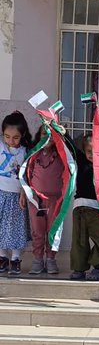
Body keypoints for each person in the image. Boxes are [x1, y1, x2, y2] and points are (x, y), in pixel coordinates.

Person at [70, 134, 99, 281]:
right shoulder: (81, 161)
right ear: (84, 151)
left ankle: (97, 268)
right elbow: (71, 147)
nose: (92, 155)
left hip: (97, 209)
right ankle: (79, 269)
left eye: (96, 152)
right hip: (80, 207)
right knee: (79, 240)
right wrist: (64, 133)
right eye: (89, 152)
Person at [27, 125, 65, 275]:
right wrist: (24, 195)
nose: (48, 137)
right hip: (36, 200)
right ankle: (37, 260)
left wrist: (63, 134)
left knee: (53, 230)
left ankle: (50, 259)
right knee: (37, 231)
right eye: (44, 133)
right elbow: (25, 176)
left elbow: (71, 155)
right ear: (38, 135)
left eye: (52, 134)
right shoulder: (33, 154)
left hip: (55, 200)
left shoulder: (61, 154)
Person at [0, 111, 31, 277]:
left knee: (15, 228)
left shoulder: (26, 152)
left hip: (16, 196)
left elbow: (26, 176)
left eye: (15, 137)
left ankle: (16, 258)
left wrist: (23, 193)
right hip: (0, 193)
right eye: (7, 136)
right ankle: (2, 257)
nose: (11, 141)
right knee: (1, 228)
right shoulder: (0, 147)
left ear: (23, 135)